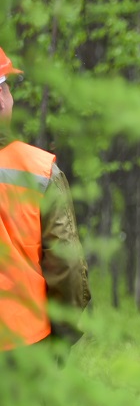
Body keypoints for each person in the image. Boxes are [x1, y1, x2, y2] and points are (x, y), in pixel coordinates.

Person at [0, 45, 91, 359]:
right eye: (6, 86)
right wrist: (61, 339)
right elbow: (66, 264)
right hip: (23, 348)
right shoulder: (38, 171)